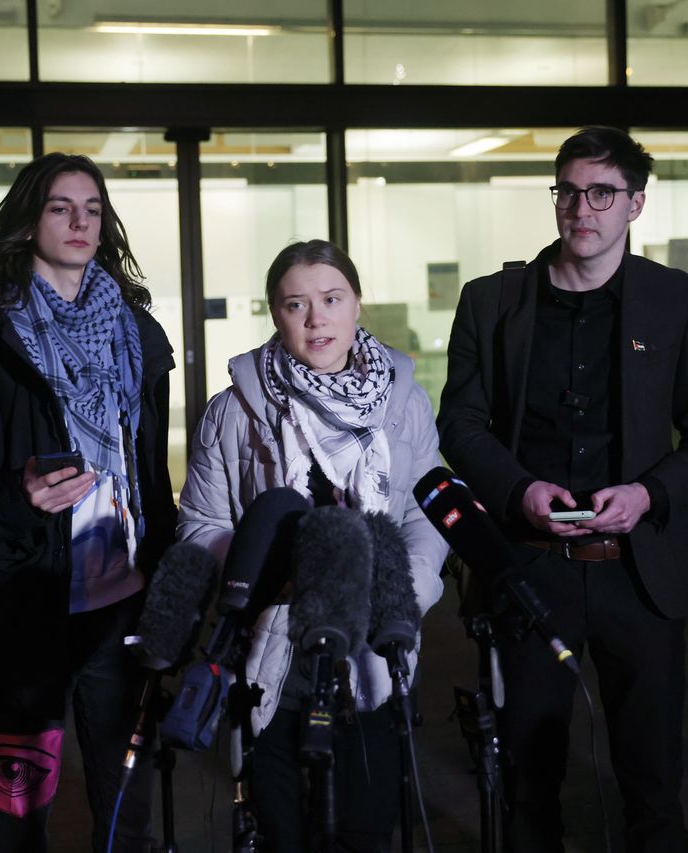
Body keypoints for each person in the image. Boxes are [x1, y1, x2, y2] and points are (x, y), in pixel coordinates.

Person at [437, 126, 688, 852]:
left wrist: (651, 494)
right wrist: (517, 490)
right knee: (527, 788)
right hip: (531, 570)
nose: (581, 208)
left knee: (654, 784)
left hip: (640, 573)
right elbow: (462, 424)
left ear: (635, 204)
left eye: (602, 193)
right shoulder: (491, 301)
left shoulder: (675, 299)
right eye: (568, 191)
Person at [0, 153, 176, 852]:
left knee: (129, 817)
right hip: (22, 618)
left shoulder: (139, 340)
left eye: (92, 208)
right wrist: (19, 494)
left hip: (122, 606)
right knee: (17, 823)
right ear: (29, 222)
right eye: (61, 207)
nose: (79, 221)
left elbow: (152, 480)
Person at [177, 239, 447, 851]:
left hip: (373, 648)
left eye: (331, 299)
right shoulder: (232, 412)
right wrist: (270, 575)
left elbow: (423, 515)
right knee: (283, 832)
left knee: (368, 828)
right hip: (274, 651)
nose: (316, 318)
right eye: (295, 304)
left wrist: (403, 594)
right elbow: (200, 526)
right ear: (275, 313)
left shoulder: (405, 405)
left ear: (357, 304)